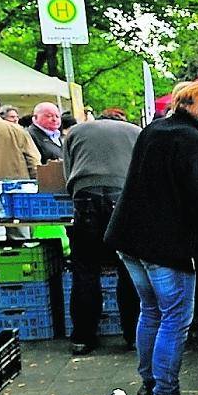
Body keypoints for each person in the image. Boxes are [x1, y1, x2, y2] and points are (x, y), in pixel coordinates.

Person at [105, 81, 198, 395]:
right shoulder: (196, 142)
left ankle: (149, 385)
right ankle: (165, 394)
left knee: (152, 311)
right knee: (174, 317)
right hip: (166, 244)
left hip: (130, 235)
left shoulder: (154, 129)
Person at [63, 108, 141, 355]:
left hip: (85, 197)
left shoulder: (76, 131)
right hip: (122, 197)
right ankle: (133, 335)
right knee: (128, 269)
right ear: (121, 119)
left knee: (85, 269)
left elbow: (68, 170)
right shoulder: (135, 131)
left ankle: (83, 338)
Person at [0, 94, 39, 245]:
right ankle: (22, 266)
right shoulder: (15, 129)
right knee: (19, 236)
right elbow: (34, 162)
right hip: (15, 193)